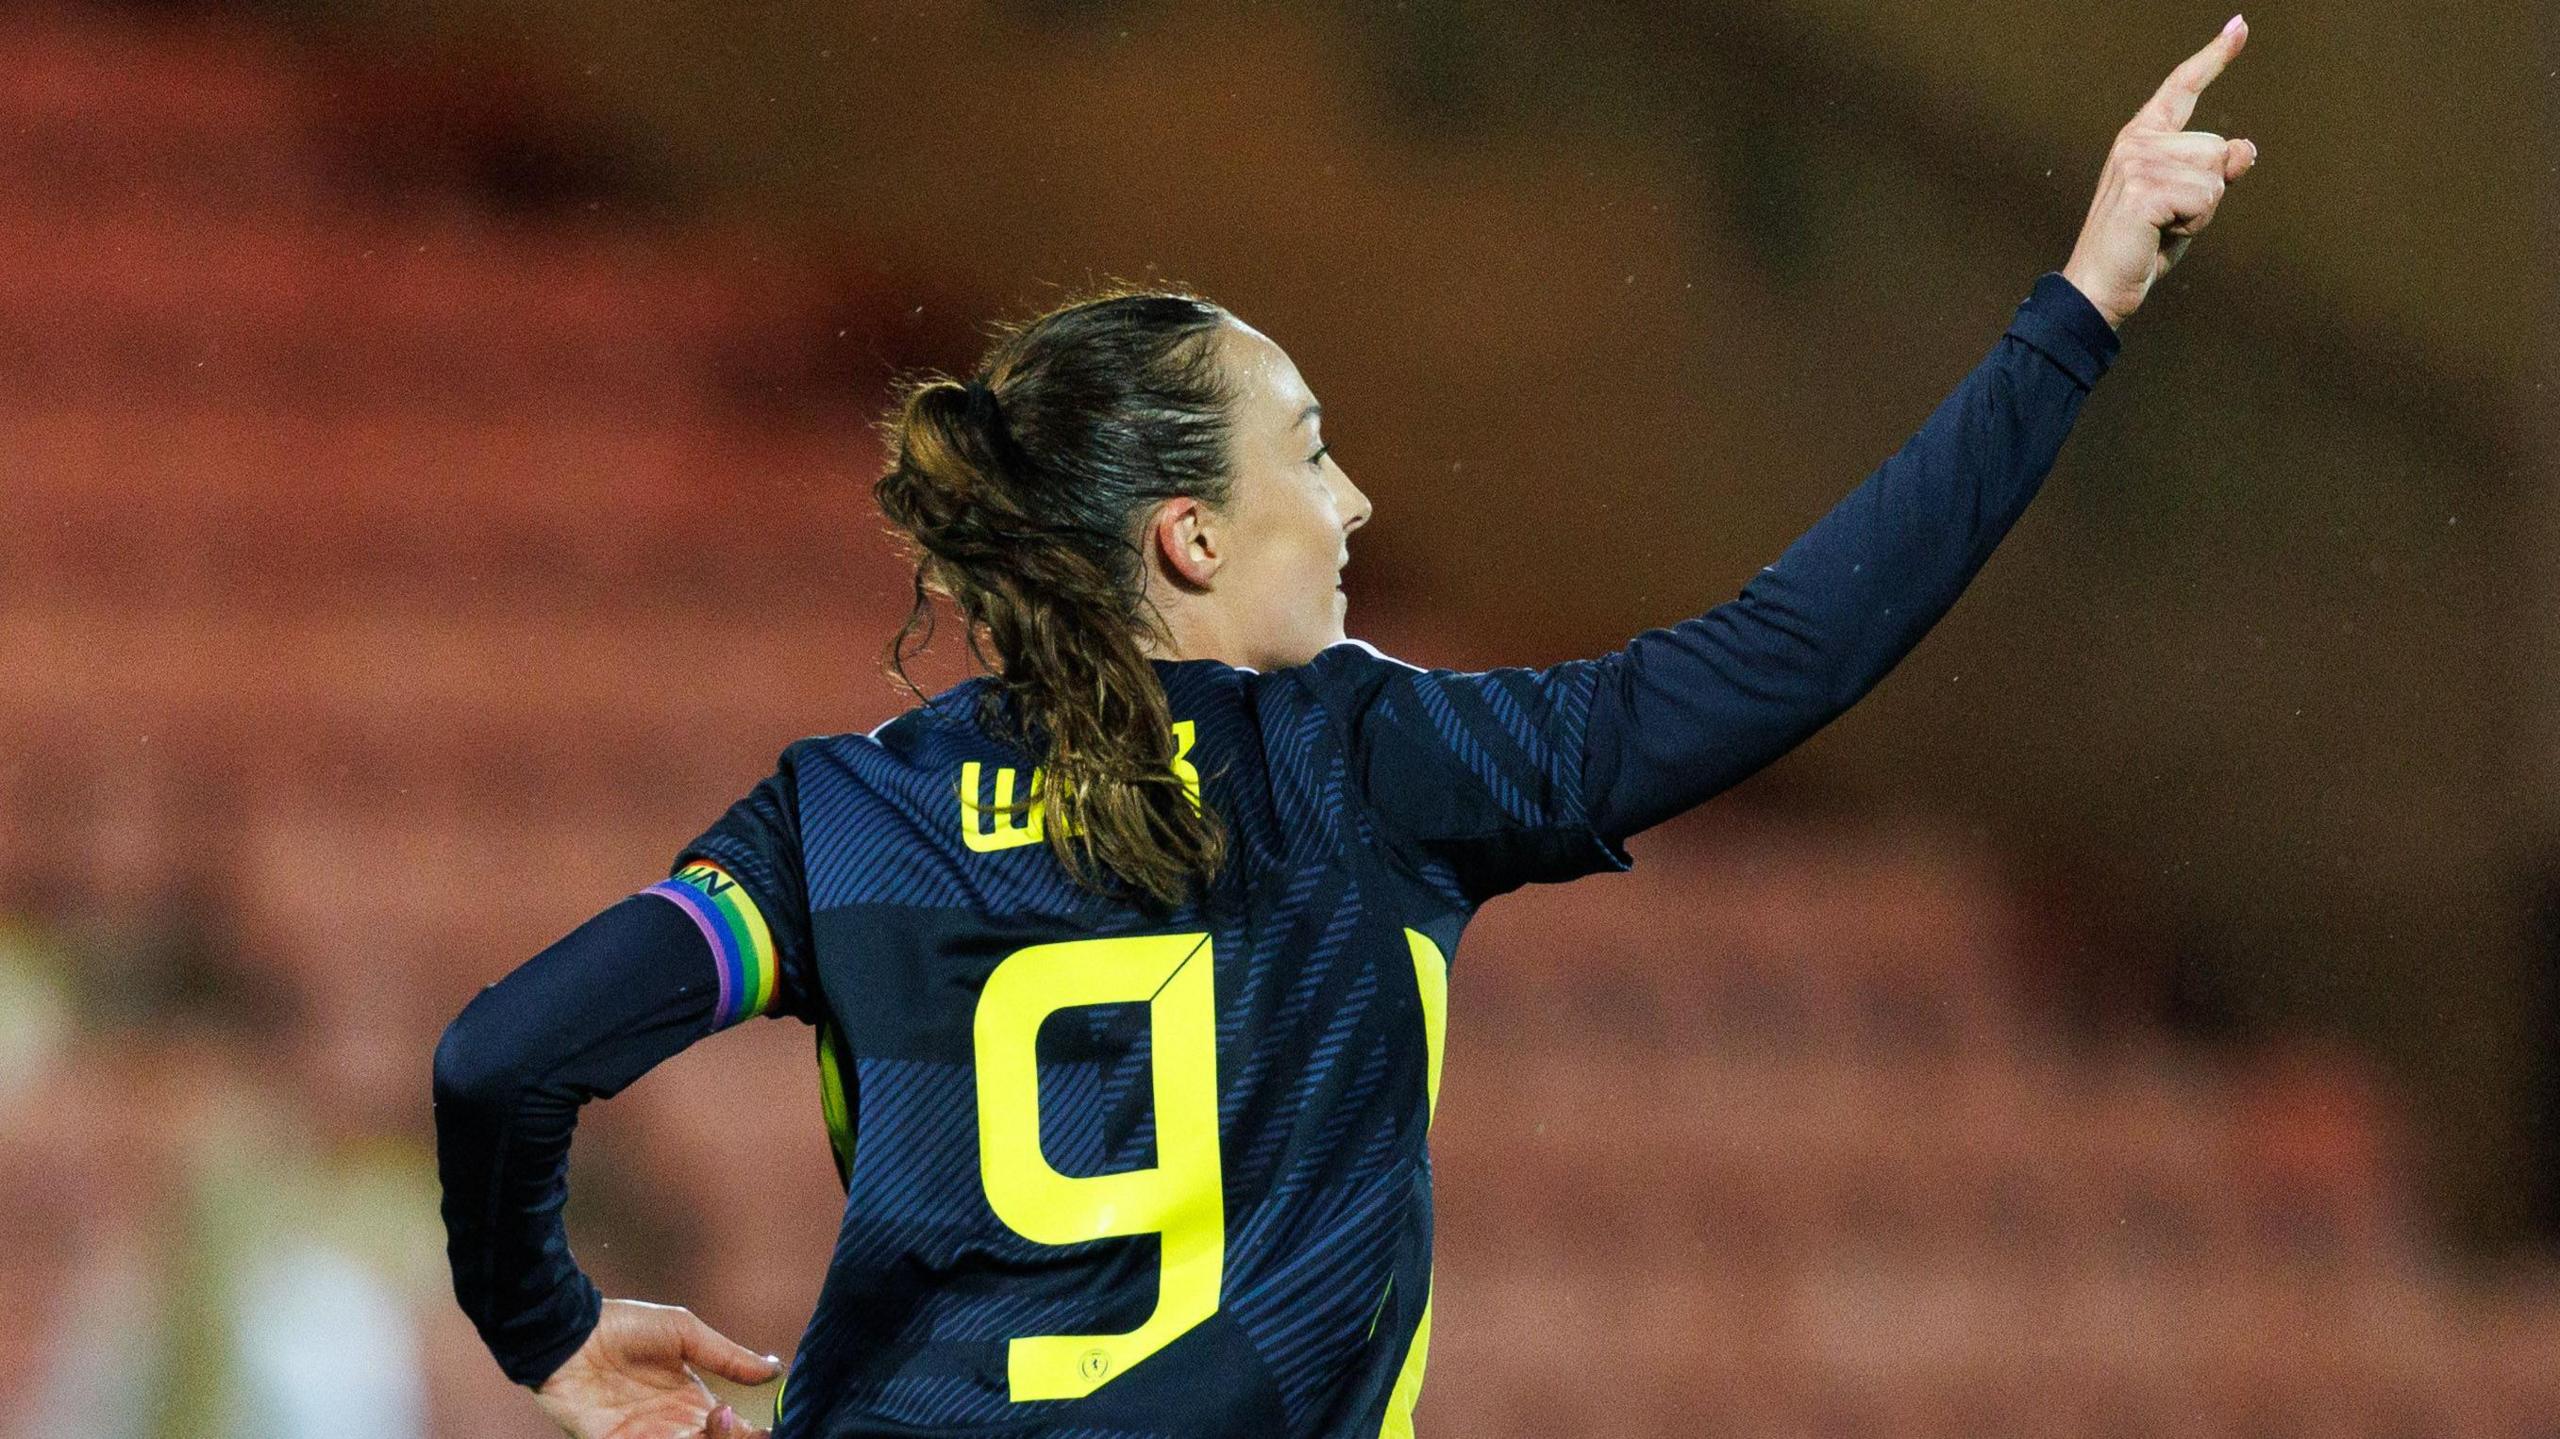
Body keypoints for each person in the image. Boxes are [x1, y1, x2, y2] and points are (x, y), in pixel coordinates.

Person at [431, 18, 2259, 1437]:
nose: (1360, 499)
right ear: (1193, 535)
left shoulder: (839, 823)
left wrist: (547, 1329)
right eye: (1310, 449)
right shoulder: (1366, 767)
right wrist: (2079, 309)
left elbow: (502, 1062)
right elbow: (1790, 656)